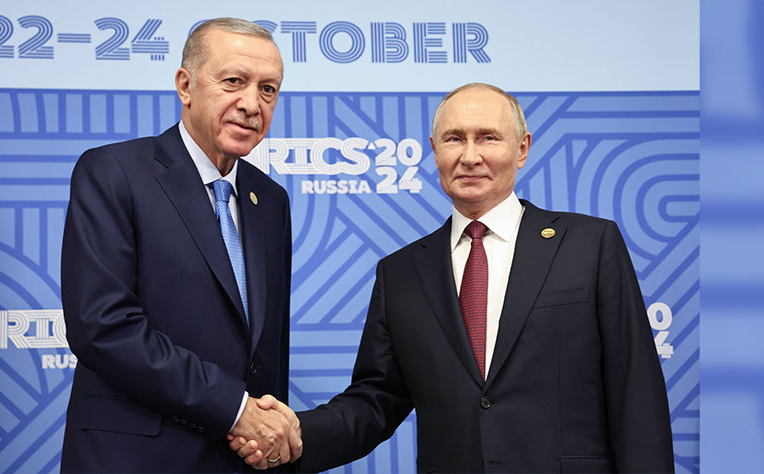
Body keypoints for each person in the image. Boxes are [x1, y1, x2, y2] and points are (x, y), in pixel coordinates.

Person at [233, 83, 674, 473]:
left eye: (488, 137)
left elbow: (635, 394)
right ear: (434, 149)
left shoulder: (589, 244)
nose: (470, 155)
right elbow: (376, 400)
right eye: (454, 139)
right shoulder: (401, 272)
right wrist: (295, 433)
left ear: (522, 148)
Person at [60, 17, 300, 472]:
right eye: (234, 81)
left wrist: (265, 434)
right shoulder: (114, 172)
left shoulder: (270, 200)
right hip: (136, 458)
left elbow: (266, 354)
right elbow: (103, 327)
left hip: (241, 461)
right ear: (185, 86)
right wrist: (234, 408)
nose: (252, 103)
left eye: (268, 89)